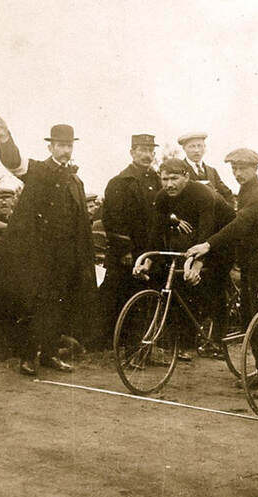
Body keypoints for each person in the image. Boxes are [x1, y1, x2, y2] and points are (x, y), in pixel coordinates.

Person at [0, 111, 97, 375]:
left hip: (66, 256)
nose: (65, 150)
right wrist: (4, 136)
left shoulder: (76, 180)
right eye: (60, 145)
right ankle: (27, 357)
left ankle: (49, 354)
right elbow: (13, 162)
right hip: (38, 254)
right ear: (50, 147)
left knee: (58, 305)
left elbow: (80, 221)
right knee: (33, 304)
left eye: (69, 145)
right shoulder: (38, 170)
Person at [135, 158, 236, 351]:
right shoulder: (162, 196)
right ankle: (185, 340)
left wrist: (197, 265)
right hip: (198, 236)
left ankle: (217, 338)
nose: (169, 184)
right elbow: (155, 231)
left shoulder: (202, 193)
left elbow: (207, 230)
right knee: (182, 284)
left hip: (221, 237)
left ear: (187, 176)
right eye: (165, 179)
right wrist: (147, 260)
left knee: (214, 284)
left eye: (174, 178)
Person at [186, 148, 258, 328]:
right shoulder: (246, 189)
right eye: (234, 169)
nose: (237, 173)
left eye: (242, 169)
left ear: (255, 168)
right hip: (248, 259)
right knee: (249, 316)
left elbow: (241, 223)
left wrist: (208, 244)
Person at [99, 134, 162, 347]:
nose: (147, 155)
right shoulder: (120, 182)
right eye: (142, 150)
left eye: (150, 151)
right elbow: (114, 219)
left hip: (150, 250)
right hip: (128, 252)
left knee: (148, 297)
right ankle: (121, 346)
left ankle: (142, 345)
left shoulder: (156, 180)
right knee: (124, 296)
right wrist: (124, 249)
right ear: (132, 153)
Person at [178, 132, 236, 206]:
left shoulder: (212, 171)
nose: (196, 150)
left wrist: (226, 212)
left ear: (204, 147)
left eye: (199, 146)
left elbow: (227, 194)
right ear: (184, 149)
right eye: (192, 146)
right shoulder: (179, 170)